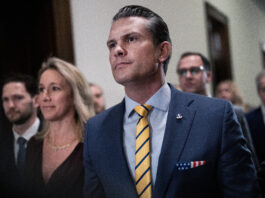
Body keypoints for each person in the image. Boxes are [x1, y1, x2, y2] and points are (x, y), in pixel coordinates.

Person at [83, 5, 260, 198]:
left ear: (162, 51)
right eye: (112, 44)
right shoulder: (96, 129)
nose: (117, 50)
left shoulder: (215, 117)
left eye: (131, 39)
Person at [23, 57, 95, 198]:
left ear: (74, 95)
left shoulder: (92, 145)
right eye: (42, 89)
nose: (45, 97)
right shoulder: (33, 144)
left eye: (54, 88)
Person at [177, 52, 260, 172]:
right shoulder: (175, 115)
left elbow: (250, 158)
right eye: (182, 72)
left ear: (209, 75)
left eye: (194, 70)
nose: (188, 76)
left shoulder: (232, 111)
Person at [0, 73, 41, 197]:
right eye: (5, 100)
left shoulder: (55, 137)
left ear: (36, 100)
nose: (10, 105)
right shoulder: (3, 141)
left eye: (18, 98)